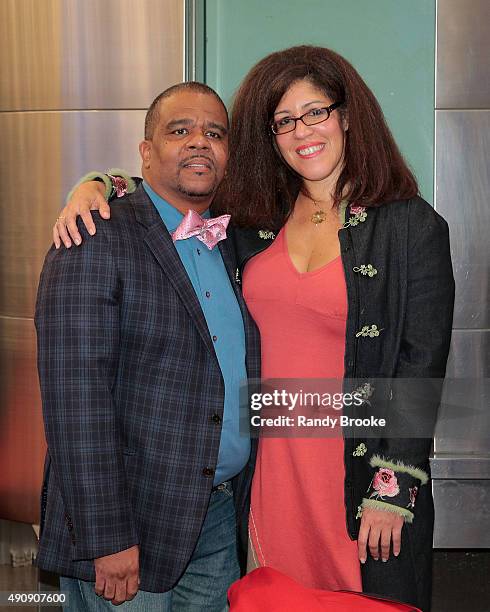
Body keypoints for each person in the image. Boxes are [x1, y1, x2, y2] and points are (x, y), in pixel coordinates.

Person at [54, 46, 454, 612]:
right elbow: (170, 191)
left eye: (315, 112)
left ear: (347, 116)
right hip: (269, 473)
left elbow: (422, 364)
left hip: (354, 472)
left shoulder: (410, 225)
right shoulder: (255, 220)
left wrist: (392, 488)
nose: (302, 132)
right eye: (284, 121)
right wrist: (97, 183)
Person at [35, 82, 260, 611]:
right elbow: (74, 402)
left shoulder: (234, 241)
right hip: (130, 528)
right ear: (145, 152)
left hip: (218, 518)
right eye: (179, 131)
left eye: (214, 133)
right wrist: (107, 537)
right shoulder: (95, 234)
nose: (199, 143)